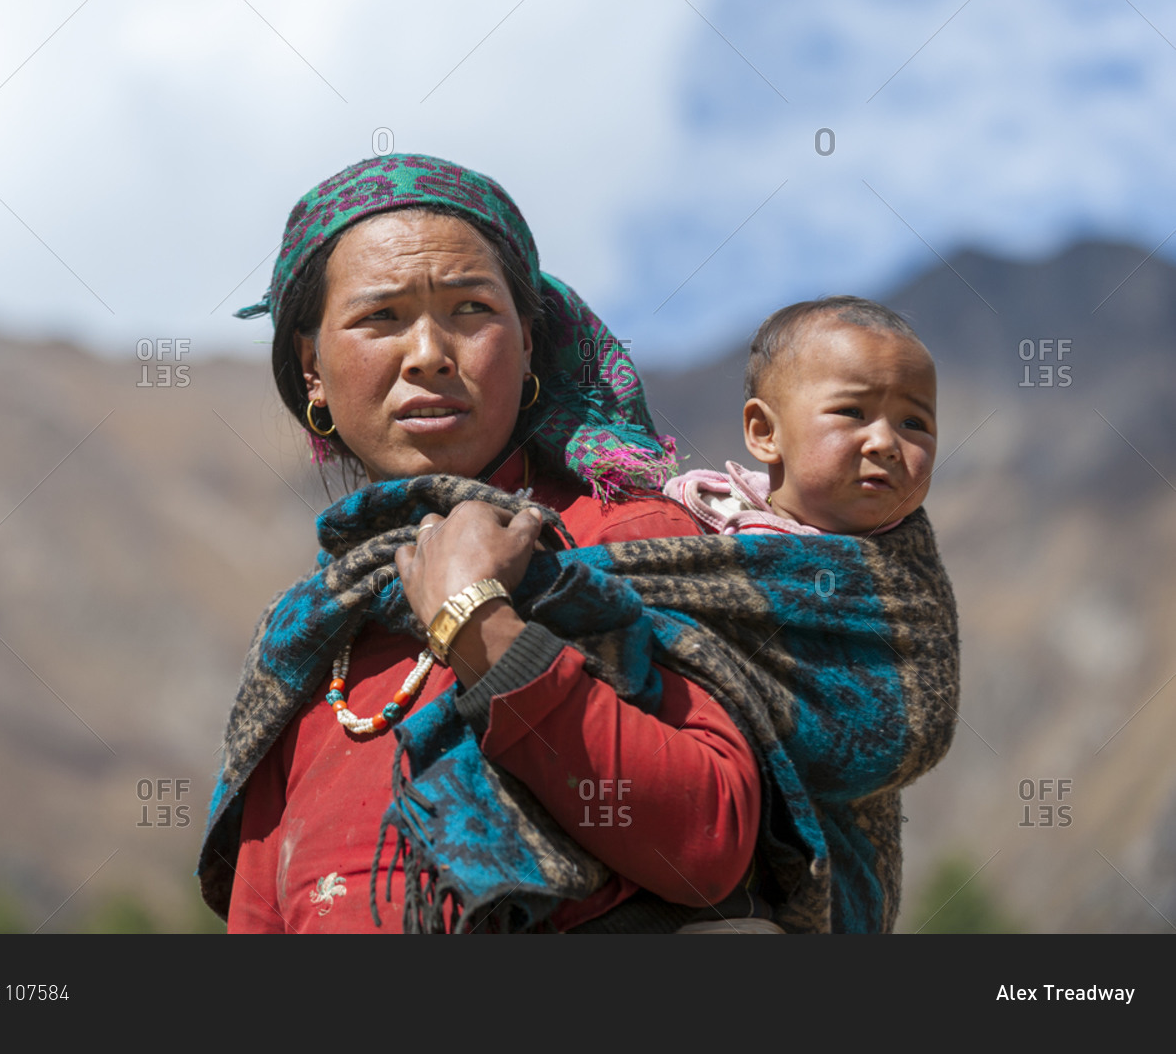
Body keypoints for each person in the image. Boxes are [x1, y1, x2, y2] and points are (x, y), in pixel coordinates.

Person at [199, 155, 960, 934]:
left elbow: (705, 844)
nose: (428, 351)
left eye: (469, 310)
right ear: (311, 368)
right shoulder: (307, 637)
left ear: (529, 344)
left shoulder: (634, 540)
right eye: (379, 318)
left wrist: (484, 631)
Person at [666, 297, 937, 538]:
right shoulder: (683, 529)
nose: (885, 443)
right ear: (766, 432)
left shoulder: (918, 577)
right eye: (852, 412)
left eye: (912, 423)